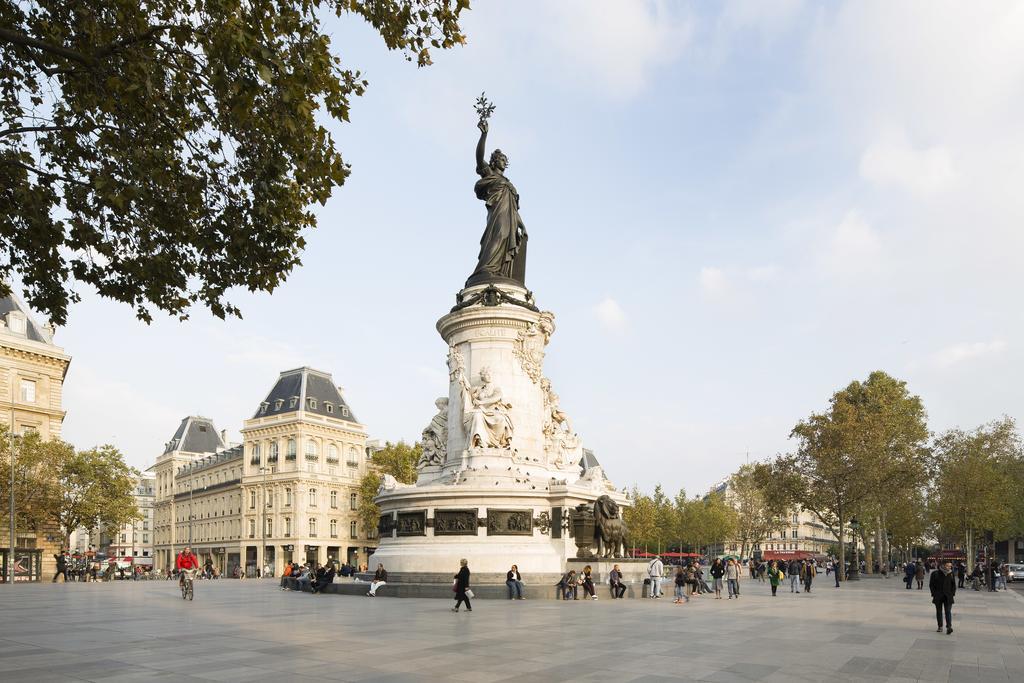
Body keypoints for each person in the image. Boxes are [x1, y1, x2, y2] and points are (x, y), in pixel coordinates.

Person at [929, 560, 957, 634]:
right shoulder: (935, 573)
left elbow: (953, 585)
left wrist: (952, 593)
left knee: (948, 611)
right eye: (948, 566)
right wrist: (934, 594)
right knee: (939, 612)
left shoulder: (951, 574)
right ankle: (940, 626)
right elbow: (931, 585)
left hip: (948, 596)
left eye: (950, 566)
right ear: (943, 565)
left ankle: (949, 627)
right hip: (938, 596)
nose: (949, 567)